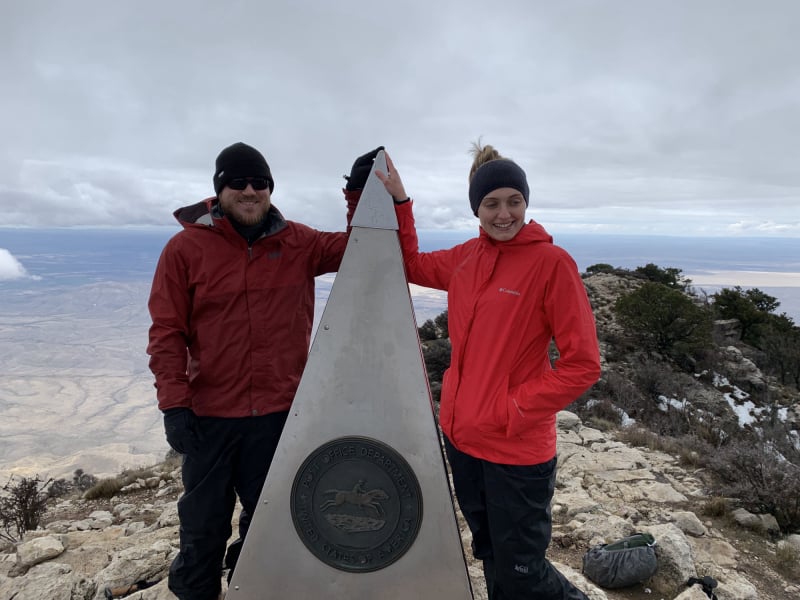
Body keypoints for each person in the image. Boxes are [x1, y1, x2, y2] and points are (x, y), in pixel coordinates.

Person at [364, 143, 601, 600]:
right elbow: (410, 264)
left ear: (526, 203)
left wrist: (511, 410)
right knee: (491, 554)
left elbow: (582, 365)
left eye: (514, 201)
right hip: (464, 444)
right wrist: (401, 202)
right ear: (477, 208)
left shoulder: (552, 264)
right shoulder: (466, 258)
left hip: (516, 452)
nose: (504, 214)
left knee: (523, 573)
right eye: (492, 203)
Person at [147, 142, 383, 600]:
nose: (250, 191)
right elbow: (167, 333)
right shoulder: (184, 249)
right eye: (238, 183)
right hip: (210, 418)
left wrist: (358, 193)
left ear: (271, 189)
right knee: (202, 528)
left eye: (260, 183)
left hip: (279, 416)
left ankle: (250, 589)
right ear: (220, 190)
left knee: (271, 527)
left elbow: (360, 246)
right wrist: (174, 405)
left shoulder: (298, 242)